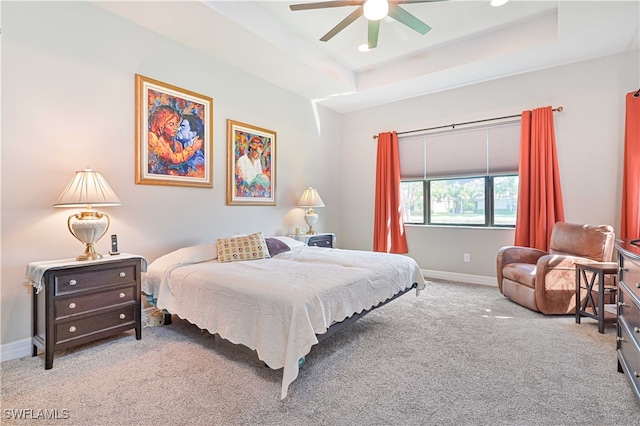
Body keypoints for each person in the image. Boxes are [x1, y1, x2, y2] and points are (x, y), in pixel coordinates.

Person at [147, 105, 203, 175]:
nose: (176, 128)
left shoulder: (176, 143)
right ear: (161, 125)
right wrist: (192, 148)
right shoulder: (152, 137)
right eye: (171, 125)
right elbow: (174, 159)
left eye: (176, 124)